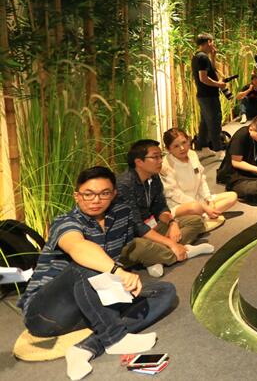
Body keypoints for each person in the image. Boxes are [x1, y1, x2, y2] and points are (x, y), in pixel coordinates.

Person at [18, 166, 178, 381]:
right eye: (88, 194)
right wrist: (118, 272)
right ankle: (115, 337)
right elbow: (78, 248)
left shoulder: (121, 214)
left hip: (92, 301)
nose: (96, 200)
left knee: (165, 290)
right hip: (46, 314)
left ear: (113, 194)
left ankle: (86, 348)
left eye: (104, 193)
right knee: (83, 265)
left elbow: (141, 232)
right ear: (77, 196)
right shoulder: (65, 221)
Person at [116, 140, 214, 278]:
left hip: (152, 227)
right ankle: (183, 252)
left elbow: (161, 206)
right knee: (140, 247)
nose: (160, 160)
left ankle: (155, 258)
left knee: (195, 221)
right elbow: (137, 226)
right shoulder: (124, 184)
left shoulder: (154, 176)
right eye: (155, 157)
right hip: (133, 236)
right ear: (139, 162)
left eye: (160, 156)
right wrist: (171, 244)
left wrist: (172, 223)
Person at [160, 128, 237, 232]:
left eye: (184, 142)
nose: (182, 148)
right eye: (176, 146)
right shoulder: (165, 165)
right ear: (168, 149)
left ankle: (204, 216)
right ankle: (201, 217)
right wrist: (202, 207)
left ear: (188, 140)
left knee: (232, 196)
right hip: (181, 205)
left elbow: (201, 179)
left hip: (199, 199)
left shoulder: (192, 154)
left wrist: (208, 199)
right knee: (194, 208)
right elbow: (174, 194)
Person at [191, 33, 227, 153]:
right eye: (212, 42)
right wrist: (218, 84)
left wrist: (213, 56)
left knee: (205, 123)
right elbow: (203, 78)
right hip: (209, 95)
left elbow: (212, 70)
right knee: (215, 122)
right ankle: (218, 149)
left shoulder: (198, 56)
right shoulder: (202, 57)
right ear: (208, 42)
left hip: (203, 95)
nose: (213, 44)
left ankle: (202, 147)